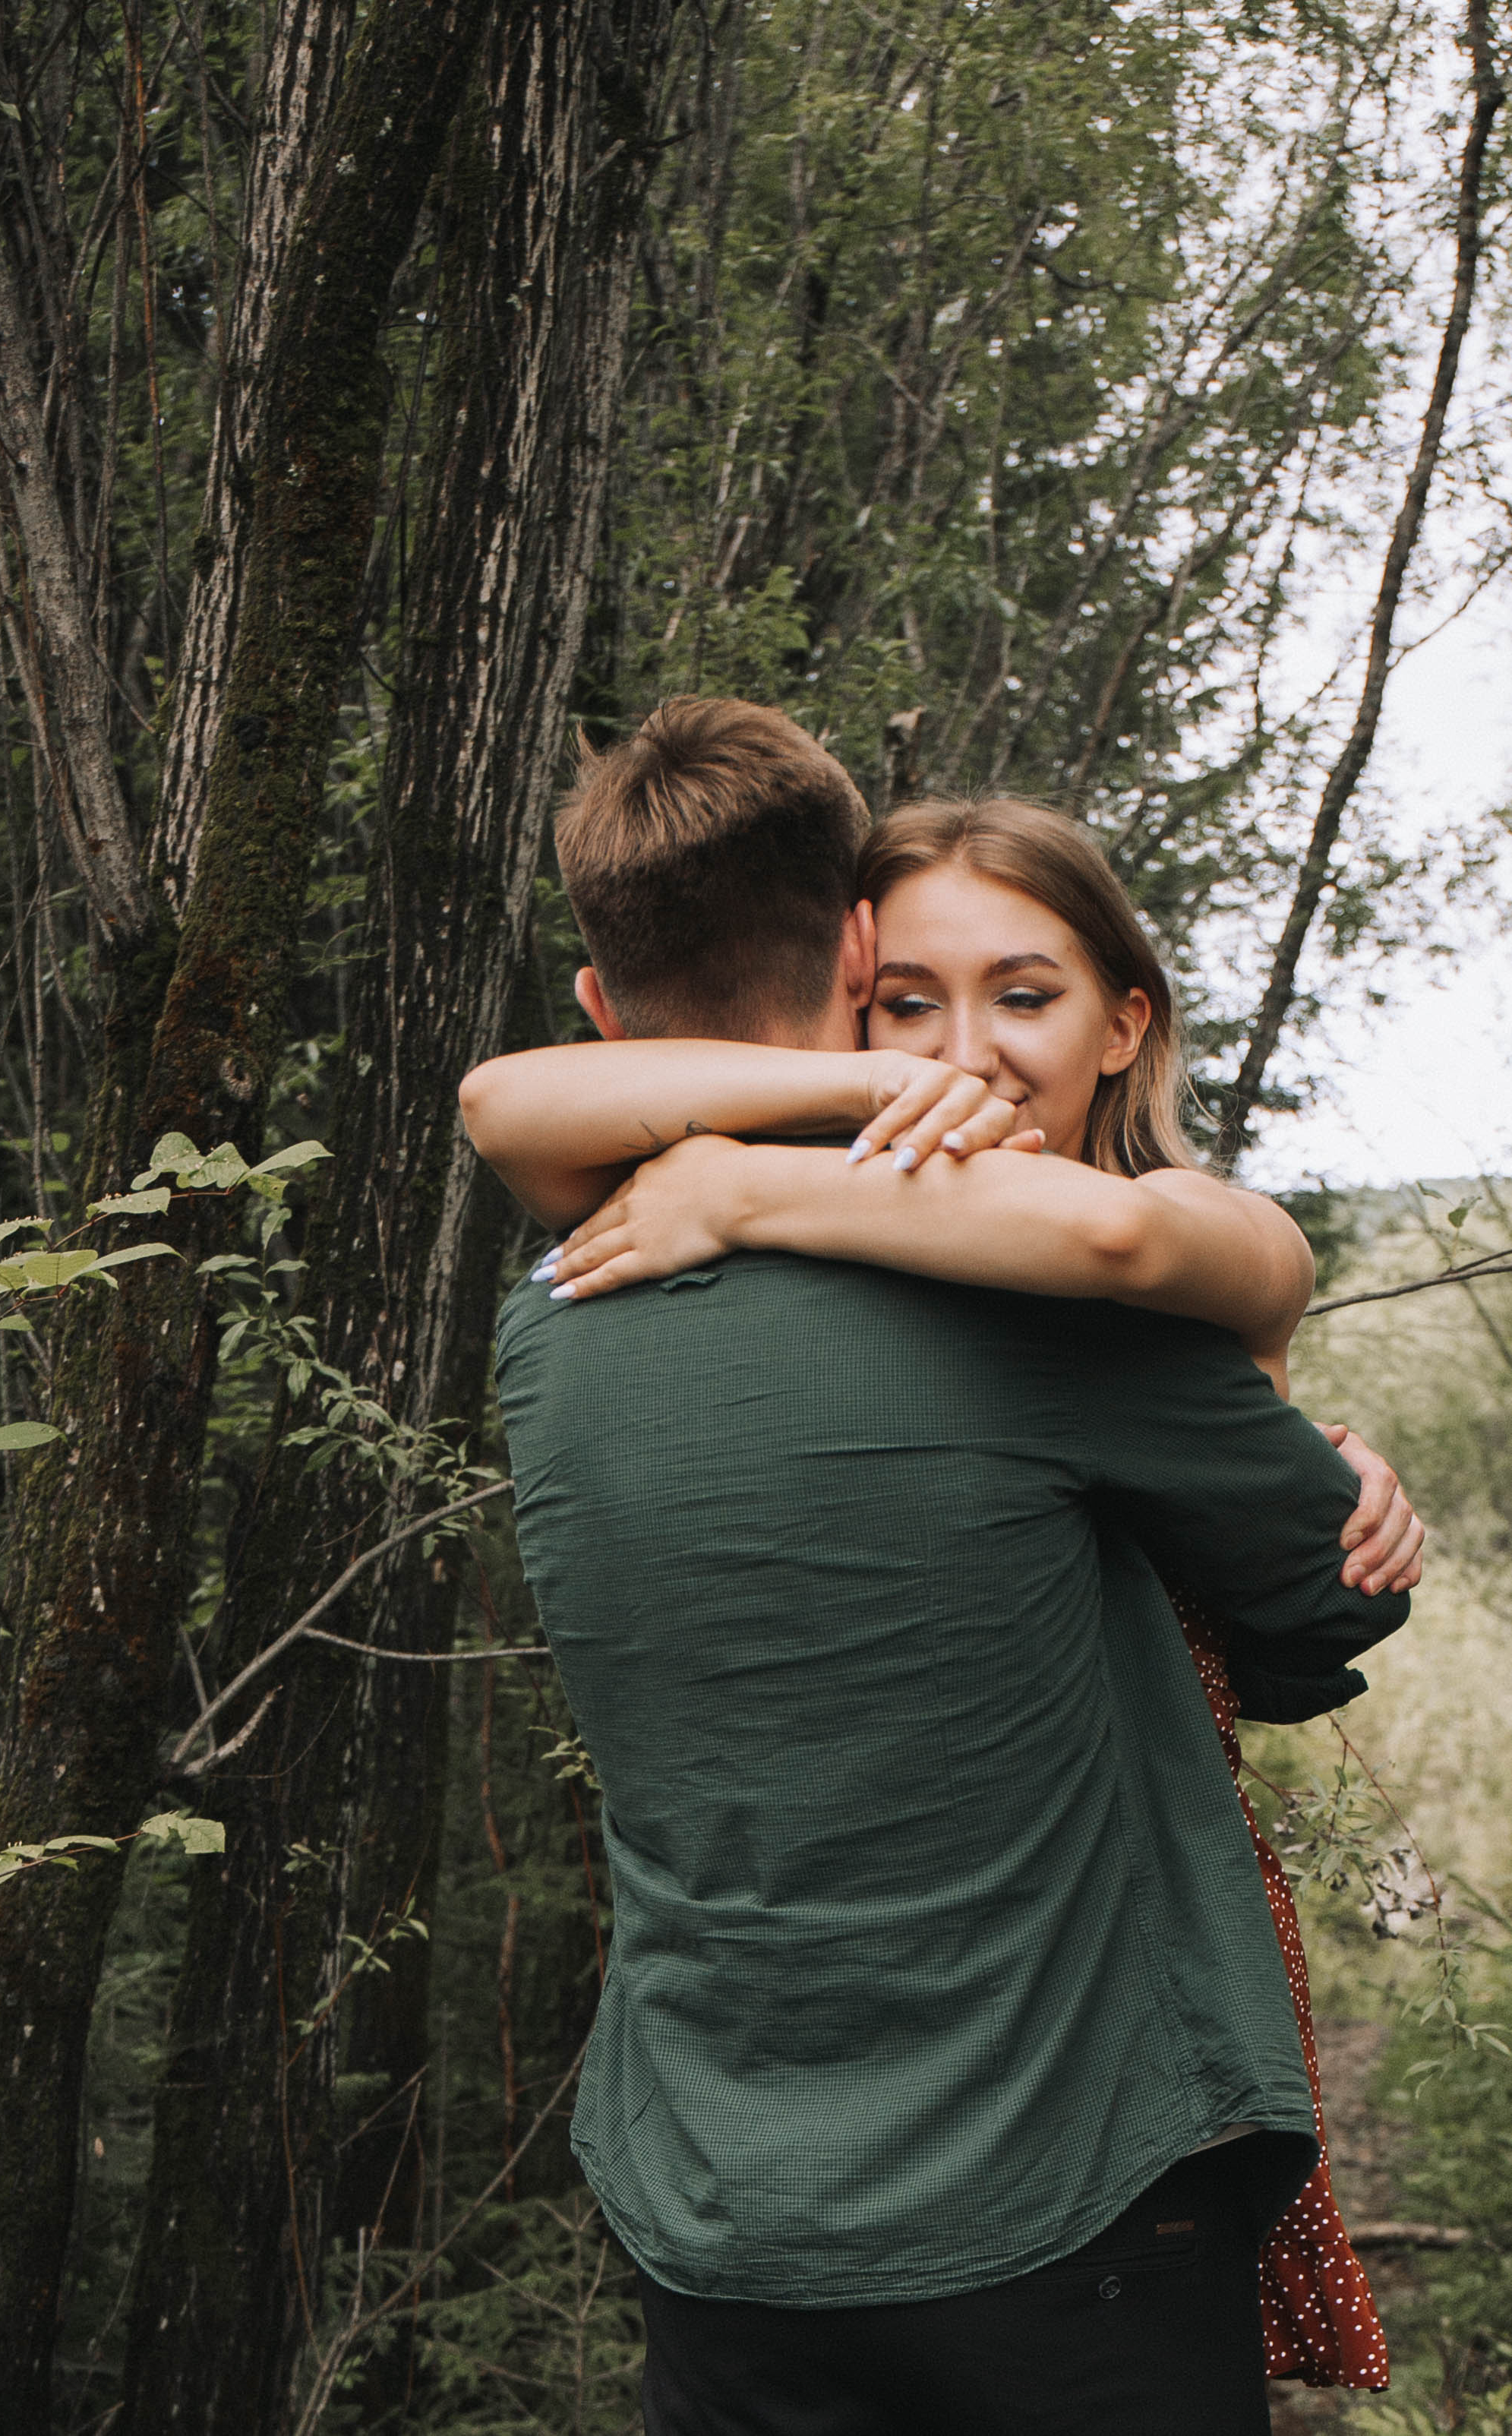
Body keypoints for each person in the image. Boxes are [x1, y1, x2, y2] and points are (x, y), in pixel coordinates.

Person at [467, 700, 1416, 2434]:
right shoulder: (1016, 1292)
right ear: (855, 954)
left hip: (724, 2217)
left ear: (606, 1007)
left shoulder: (548, 1313)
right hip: (1065, 2201)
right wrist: (1297, 1451)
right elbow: (1319, 1607)